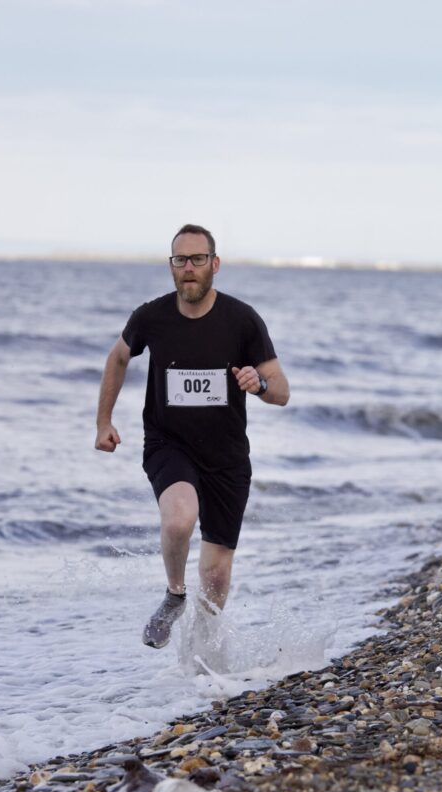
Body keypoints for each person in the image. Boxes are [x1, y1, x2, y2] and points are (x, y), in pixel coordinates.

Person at [95, 224, 290, 649]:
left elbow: (282, 391)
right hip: (169, 445)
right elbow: (118, 357)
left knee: (217, 577)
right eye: (180, 260)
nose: (188, 268)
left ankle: (200, 660)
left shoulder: (242, 320)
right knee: (180, 516)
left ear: (214, 265)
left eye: (197, 259)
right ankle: (173, 595)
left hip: (227, 458)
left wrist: (257, 383)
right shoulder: (151, 316)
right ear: (171, 267)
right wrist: (103, 422)